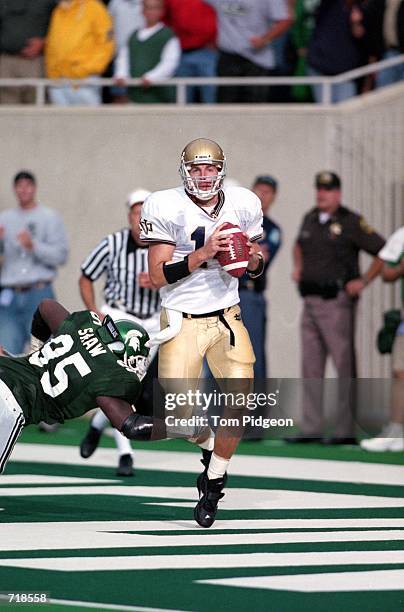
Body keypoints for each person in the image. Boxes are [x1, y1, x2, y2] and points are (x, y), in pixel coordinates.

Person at [140, 138, 264, 527]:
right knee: (178, 416)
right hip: (181, 319)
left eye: (210, 168)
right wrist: (205, 252)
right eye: (197, 169)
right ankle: (210, 447)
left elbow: (259, 259)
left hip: (227, 316)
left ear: (221, 170)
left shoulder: (244, 202)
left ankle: (214, 482)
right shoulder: (164, 204)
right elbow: (158, 273)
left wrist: (251, 259)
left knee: (240, 401)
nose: (204, 175)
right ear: (185, 172)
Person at [0, 298, 165, 476]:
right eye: (138, 360)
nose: (139, 367)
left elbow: (46, 306)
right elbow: (131, 426)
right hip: (11, 402)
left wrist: (34, 352)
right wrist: (181, 426)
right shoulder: (112, 374)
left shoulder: (82, 325)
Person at [289, 170, 385, 444]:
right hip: (309, 300)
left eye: (328, 190)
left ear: (338, 193)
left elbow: (383, 250)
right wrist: (298, 267)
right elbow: (298, 245)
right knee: (310, 366)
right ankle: (311, 427)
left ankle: (344, 430)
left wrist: (364, 280)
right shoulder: (310, 217)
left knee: (343, 365)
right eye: (319, 189)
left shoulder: (351, 221)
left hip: (337, 303)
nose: (322, 194)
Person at [78, 189, 160, 476]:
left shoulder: (164, 245)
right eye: (136, 212)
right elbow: (86, 275)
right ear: (129, 215)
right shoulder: (112, 243)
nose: (140, 219)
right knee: (118, 382)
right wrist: (94, 311)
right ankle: (126, 453)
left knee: (131, 386)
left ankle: (96, 425)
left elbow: (181, 278)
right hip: (118, 315)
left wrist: (159, 280)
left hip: (151, 321)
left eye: (144, 212)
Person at [0, 170, 69, 356]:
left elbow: (61, 256)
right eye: (19, 186)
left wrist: (34, 246)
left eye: (27, 185)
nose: (23, 190)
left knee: (43, 353)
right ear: (15, 189)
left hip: (39, 291)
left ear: (34, 188)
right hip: (9, 295)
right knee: (6, 353)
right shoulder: (4, 219)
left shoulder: (49, 217)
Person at [361, 226, 404, 452]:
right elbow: (387, 271)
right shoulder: (402, 235)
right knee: (399, 371)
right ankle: (396, 429)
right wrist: (400, 269)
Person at [205, 0, 292, 103]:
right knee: (226, 105)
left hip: (257, 59)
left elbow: (285, 20)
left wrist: (265, 39)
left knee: (254, 106)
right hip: (228, 56)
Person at [239, 175, 282, 378]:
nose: (262, 195)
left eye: (267, 192)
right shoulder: (236, 220)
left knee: (252, 356)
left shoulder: (272, 230)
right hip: (222, 291)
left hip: (248, 293)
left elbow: (259, 258)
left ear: (273, 197)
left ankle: (256, 409)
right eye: (259, 190)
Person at [45, 0, 115, 106]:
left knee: (88, 121)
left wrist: (85, 70)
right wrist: (52, 72)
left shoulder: (95, 8)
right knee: (59, 121)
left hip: (84, 80)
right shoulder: (58, 10)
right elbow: (52, 43)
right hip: (58, 80)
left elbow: (106, 44)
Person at [114, 0, 181, 104]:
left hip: (160, 97)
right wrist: (121, 75)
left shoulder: (168, 35)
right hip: (135, 96)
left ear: (162, 11)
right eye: (148, 8)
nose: (151, 12)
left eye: (155, 8)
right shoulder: (133, 36)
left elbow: (170, 63)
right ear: (142, 10)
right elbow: (124, 58)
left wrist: (152, 77)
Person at [0, 0, 56, 104]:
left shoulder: (50, 3)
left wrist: (44, 41)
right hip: (5, 61)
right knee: (6, 107)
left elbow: (64, 24)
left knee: (35, 104)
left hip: (34, 62)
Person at [163, 0, 218, 104]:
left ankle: (213, 120)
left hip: (207, 51)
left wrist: (215, 39)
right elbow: (164, 18)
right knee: (183, 98)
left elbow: (226, 14)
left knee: (210, 96)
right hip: (182, 53)